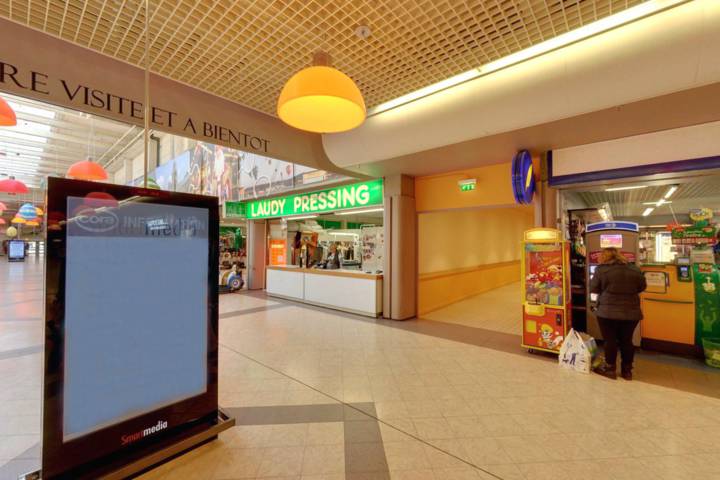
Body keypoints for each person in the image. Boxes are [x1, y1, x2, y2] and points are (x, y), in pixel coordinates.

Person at [590, 247, 647, 380]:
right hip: (631, 312)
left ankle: (610, 369)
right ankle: (627, 371)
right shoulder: (635, 269)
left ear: (604, 257)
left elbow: (593, 288)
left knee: (610, 341)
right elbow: (642, 287)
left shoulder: (601, 270)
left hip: (607, 312)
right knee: (627, 341)